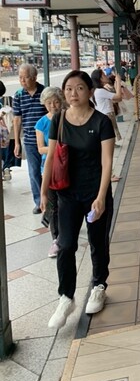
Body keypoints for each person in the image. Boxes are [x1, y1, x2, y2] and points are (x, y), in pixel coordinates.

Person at [40, 70, 115, 330]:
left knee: (97, 242)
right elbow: (51, 156)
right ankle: (66, 297)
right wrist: (44, 191)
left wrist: (102, 196)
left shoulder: (102, 122)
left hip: (95, 193)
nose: (73, 93)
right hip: (67, 194)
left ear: (90, 91)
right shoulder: (59, 119)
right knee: (65, 244)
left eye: (80, 88)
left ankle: (99, 286)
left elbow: (107, 162)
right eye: (69, 88)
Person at [35, 87, 65, 259]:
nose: (53, 106)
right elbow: (40, 148)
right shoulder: (41, 123)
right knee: (52, 206)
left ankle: (68, 231)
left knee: (66, 203)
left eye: (56, 102)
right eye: (49, 103)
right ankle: (56, 239)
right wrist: (59, 148)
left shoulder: (67, 118)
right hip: (49, 169)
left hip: (67, 167)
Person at [13, 64, 46, 213]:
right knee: (34, 172)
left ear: (34, 77)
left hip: (46, 140)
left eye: (25, 77)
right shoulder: (19, 95)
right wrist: (17, 142)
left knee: (48, 170)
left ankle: (51, 199)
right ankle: (39, 203)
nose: (22, 80)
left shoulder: (44, 92)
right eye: (20, 77)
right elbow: (17, 120)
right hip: (30, 141)